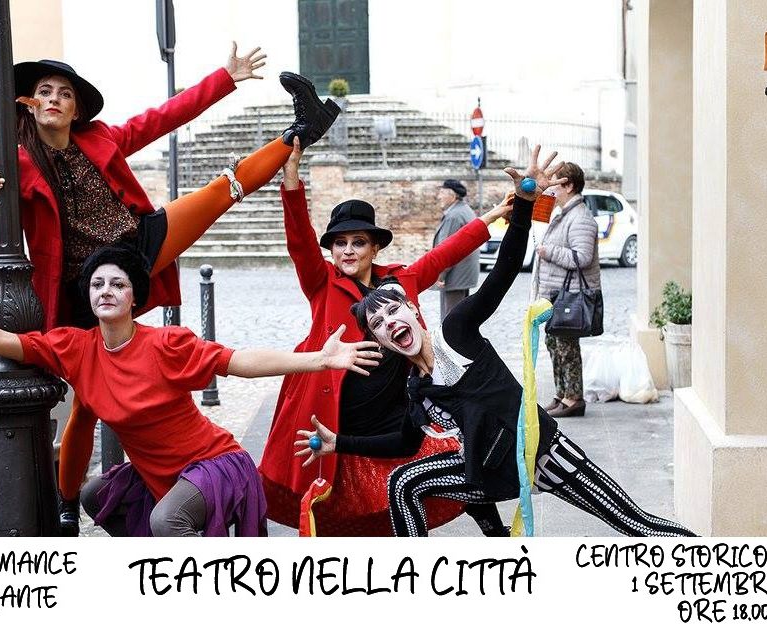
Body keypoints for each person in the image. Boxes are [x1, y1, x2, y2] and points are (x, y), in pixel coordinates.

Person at [296, 146, 695, 538]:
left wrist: (523, 206)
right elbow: (404, 441)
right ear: (381, 341)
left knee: (634, 523)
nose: (389, 323)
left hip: (539, 450)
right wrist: (338, 443)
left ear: (414, 311)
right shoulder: (416, 388)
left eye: (394, 311)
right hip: (491, 472)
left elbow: (503, 271)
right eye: (378, 324)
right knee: (405, 482)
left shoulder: (457, 331)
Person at [0, 244, 381, 537]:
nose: (106, 290)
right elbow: (1, 340)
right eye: (97, 284)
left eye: (117, 284)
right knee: (96, 495)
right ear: (90, 298)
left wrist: (318, 359)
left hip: (213, 463)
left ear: (134, 298)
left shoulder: (166, 345)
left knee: (167, 520)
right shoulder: (74, 347)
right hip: (155, 473)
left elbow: (239, 362)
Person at [0, 48, 339, 332]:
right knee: (93, 376)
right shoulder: (19, 164)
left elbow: (162, 118)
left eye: (65, 94)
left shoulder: (99, 138)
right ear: (30, 105)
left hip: (138, 242)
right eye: (45, 92)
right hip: (88, 279)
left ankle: (304, 130)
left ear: (76, 111)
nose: (54, 98)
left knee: (223, 189)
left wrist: (224, 78)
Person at [258, 138, 514, 535]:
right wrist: (291, 176)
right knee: (352, 506)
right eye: (340, 243)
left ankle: (500, 541)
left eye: (358, 242)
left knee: (458, 472)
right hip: (347, 413)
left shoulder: (401, 281)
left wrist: (496, 213)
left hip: (399, 410)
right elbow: (300, 241)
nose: (348, 251)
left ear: (375, 247)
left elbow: (447, 252)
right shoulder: (322, 284)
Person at [533, 161, 600, 418]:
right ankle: (562, 395)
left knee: (567, 347)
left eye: (556, 183)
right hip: (558, 293)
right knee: (554, 342)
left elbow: (582, 257)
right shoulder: (564, 213)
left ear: (569, 185)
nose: (551, 188)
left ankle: (573, 399)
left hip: (570, 295)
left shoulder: (580, 217)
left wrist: (548, 251)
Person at [433, 179, 479, 319]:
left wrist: (440, 274)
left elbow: (447, 248)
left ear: (452, 196)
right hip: (463, 274)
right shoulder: (465, 209)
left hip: (455, 275)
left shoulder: (454, 216)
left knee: (450, 318)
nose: (439, 196)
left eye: (442, 193)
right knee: (460, 316)